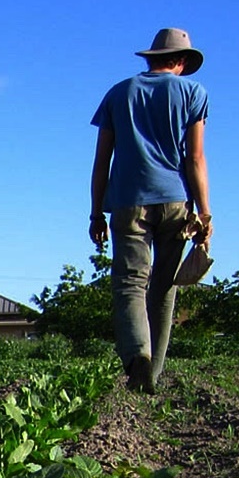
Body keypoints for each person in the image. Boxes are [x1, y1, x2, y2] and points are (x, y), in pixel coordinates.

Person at [89, 28, 212, 394]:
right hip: (175, 200)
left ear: (151, 58)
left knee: (130, 284)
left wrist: (97, 213)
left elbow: (101, 161)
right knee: (164, 287)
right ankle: (152, 376)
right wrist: (204, 212)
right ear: (182, 60)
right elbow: (195, 158)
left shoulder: (119, 92)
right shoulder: (193, 93)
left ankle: (137, 359)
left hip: (127, 200)